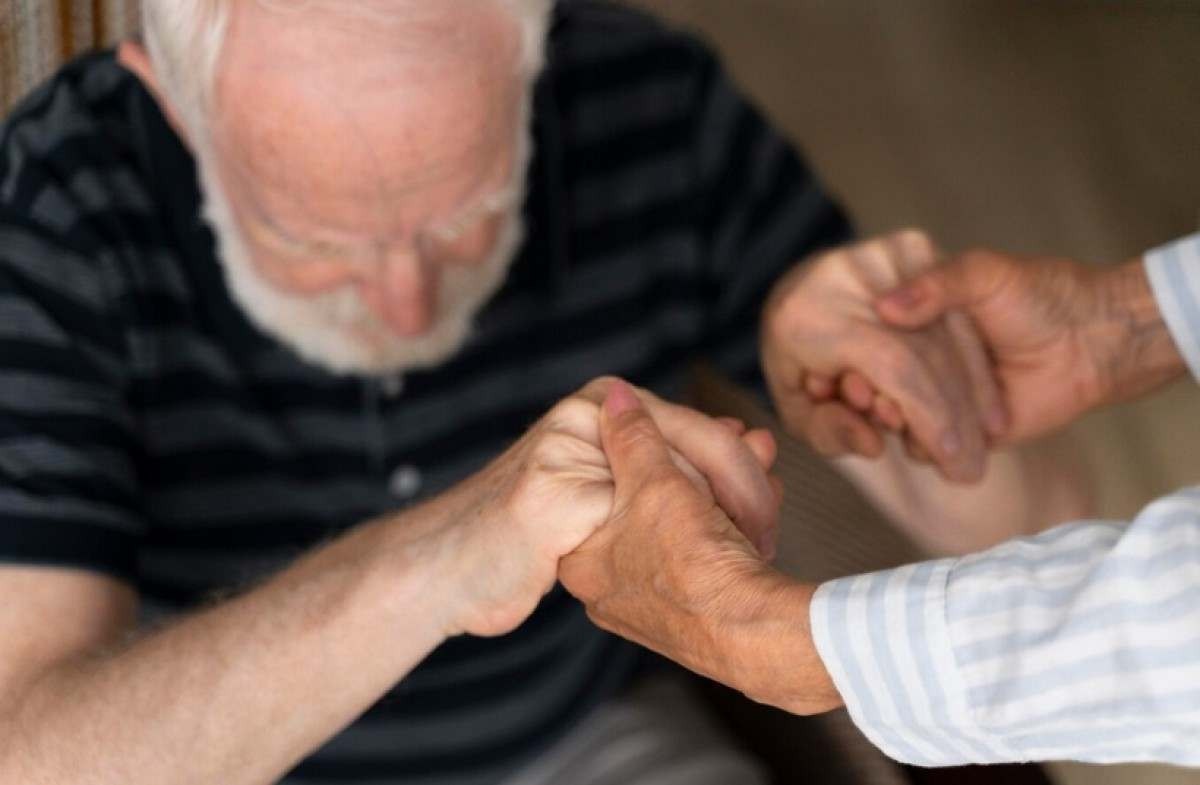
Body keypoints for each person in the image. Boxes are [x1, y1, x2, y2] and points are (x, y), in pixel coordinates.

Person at [0, 1, 1077, 783]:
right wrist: (448, 553)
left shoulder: (649, 105)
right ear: (174, 107)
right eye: (315, 238)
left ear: (536, 60)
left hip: (587, 742)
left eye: (471, 208)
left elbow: (1053, 533)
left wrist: (930, 393)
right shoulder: (56, 210)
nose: (410, 303)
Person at [562, 233, 1200, 767]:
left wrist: (791, 642)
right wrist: (1128, 318)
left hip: (617, 709)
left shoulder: (664, 130)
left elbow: (1045, 508)